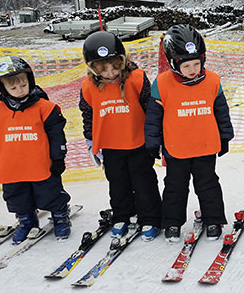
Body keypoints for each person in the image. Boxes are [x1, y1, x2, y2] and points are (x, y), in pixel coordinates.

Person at [145, 24, 233, 242]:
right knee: (175, 187)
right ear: (173, 63)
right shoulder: (162, 84)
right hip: (176, 148)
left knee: (208, 185)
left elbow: (221, 112)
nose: (192, 69)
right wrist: (152, 142)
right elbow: (153, 117)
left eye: (196, 63)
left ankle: (213, 220)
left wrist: (225, 136)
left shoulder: (212, 81)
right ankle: (172, 223)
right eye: (186, 65)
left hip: (205, 146)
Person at [79, 31, 162, 241]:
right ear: (93, 68)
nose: (110, 73)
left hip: (138, 143)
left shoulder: (136, 78)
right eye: (103, 69)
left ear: (123, 61)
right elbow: (88, 116)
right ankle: (122, 215)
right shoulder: (88, 87)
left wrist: (155, 137)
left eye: (115, 67)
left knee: (143, 183)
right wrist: (90, 142)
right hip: (110, 146)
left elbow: (150, 108)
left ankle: (150, 217)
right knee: (117, 183)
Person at [0, 55, 72, 242]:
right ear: (3, 88)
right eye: (13, 88)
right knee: (16, 196)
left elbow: (56, 136)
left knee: (50, 193)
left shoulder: (46, 108)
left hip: (40, 164)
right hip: (12, 167)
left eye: (23, 85)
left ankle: (60, 216)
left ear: (30, 81)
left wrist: (58, 158)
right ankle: (26, 221)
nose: (19, 90)